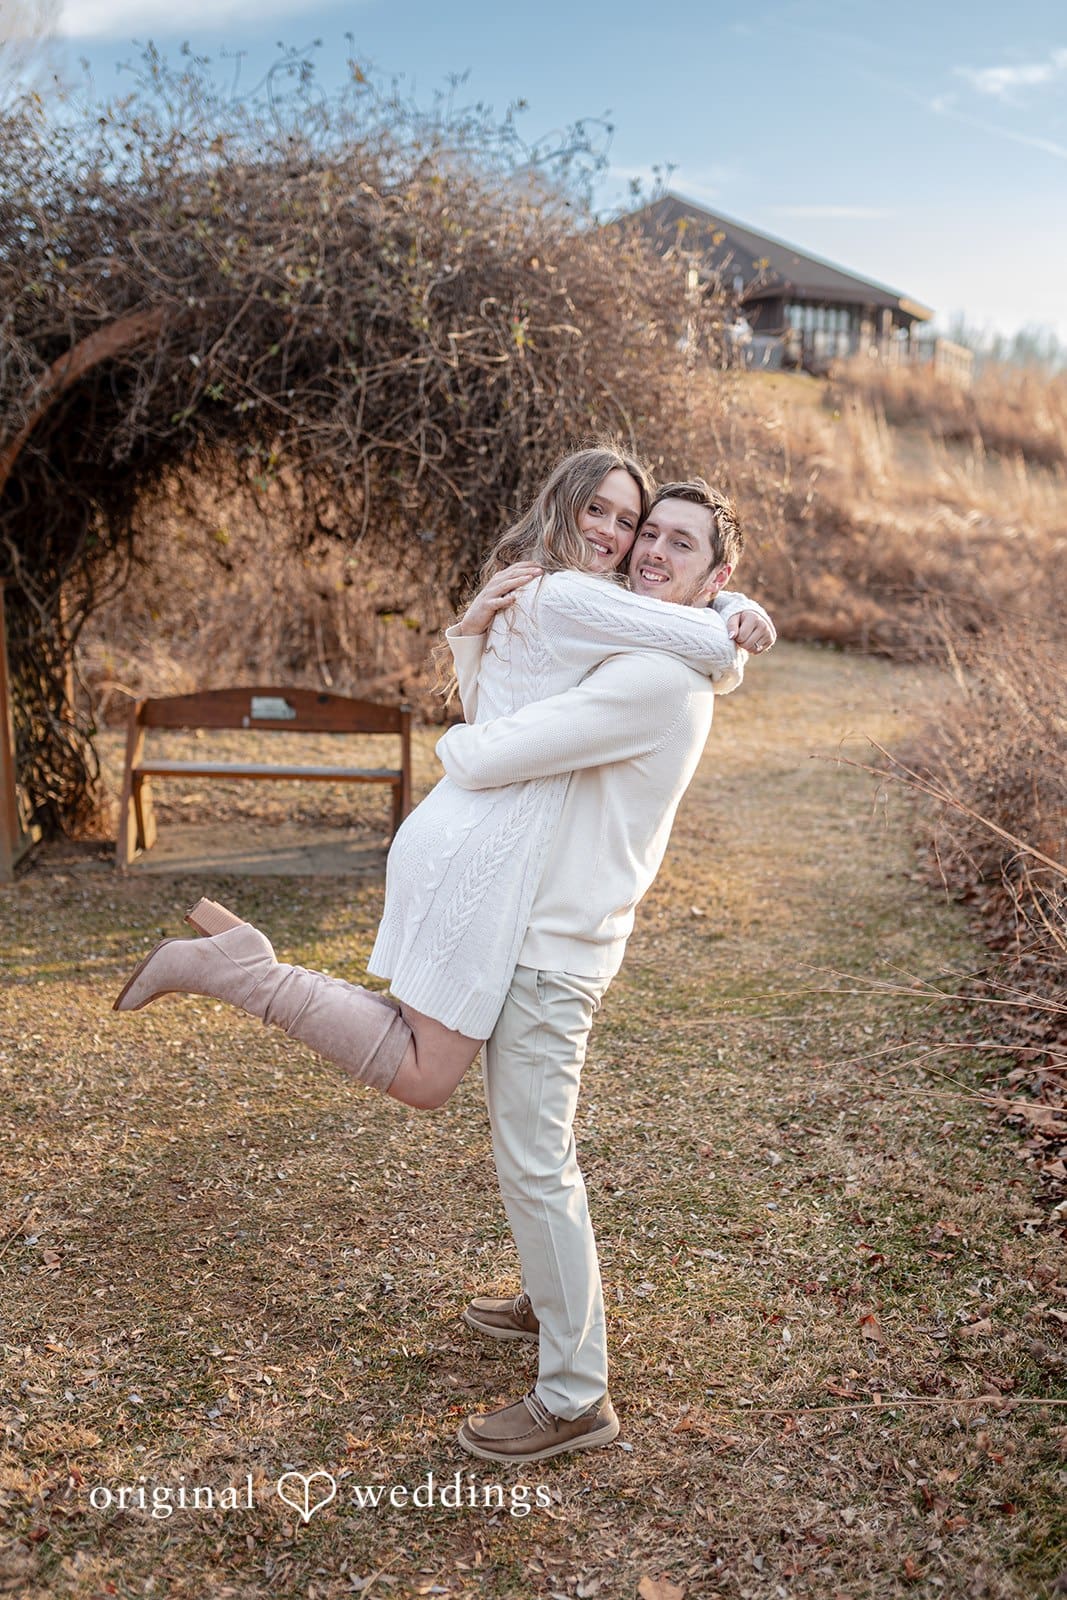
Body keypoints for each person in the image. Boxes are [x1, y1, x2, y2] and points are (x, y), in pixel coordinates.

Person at [114, 448, 774, 1127]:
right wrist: (735, 618)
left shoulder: (552, 587)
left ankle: (241, 961)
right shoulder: (571, 595)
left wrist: (727, 599)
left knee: (412, 1042)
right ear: (561, 507)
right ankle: (238, 971)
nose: (612, 531)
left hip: (462, 833)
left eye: (628, 521)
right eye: (595, 510)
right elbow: (710, 646)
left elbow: (514, 690)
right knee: (425, 1075)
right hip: (478, 853)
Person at [444, 479, 757, 1464]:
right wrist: (474, 637)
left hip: (556, 947)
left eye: (679, 543)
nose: (650, 550)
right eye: (646, 533)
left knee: (538, 1160)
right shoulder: (644, 649)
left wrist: (451, 746)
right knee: (527, 1151)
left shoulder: (653, 678)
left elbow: (492, 749)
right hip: (538, 930)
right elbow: (509, 696)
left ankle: (575, 1395)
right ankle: (551, 1304)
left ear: (714, 574)